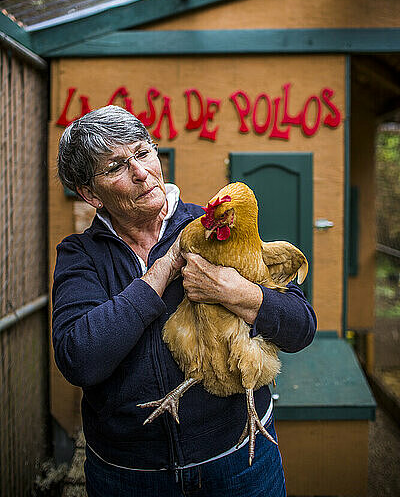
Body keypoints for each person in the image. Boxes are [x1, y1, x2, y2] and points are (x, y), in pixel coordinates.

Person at [52, 105, 317, 497]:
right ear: (91, 194)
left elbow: (301, 327)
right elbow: (80, 359)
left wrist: (237, 292)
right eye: (116, 167)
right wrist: (161, 271)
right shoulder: (81, 255)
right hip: (130, 475)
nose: (141, 172)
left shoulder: (213, 226)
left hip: (238, 461)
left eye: (143, 152)